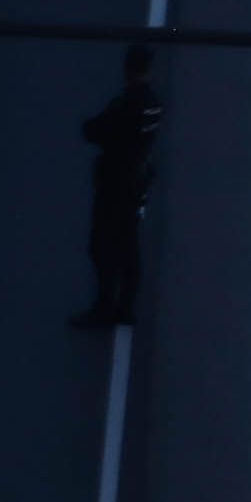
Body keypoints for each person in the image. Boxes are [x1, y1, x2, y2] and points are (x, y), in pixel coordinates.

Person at [76, 42, 161, 328]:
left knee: (101, 246)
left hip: (115, 184)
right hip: (137, 183)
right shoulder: (154, 104)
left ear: (128, 69)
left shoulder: (126, 104)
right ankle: (125, 308)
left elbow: (97, 131)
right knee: (128, 245)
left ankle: (104, 308)